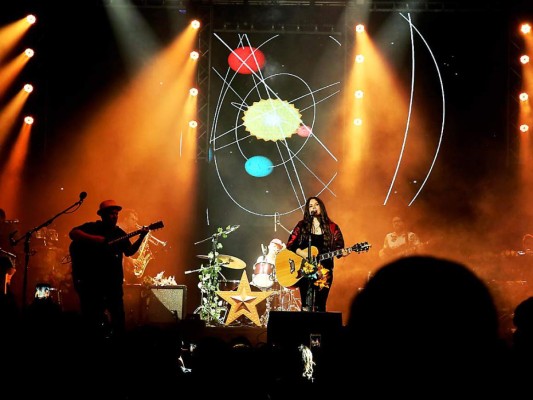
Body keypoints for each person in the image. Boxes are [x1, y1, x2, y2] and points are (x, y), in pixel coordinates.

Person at [68, 200, 148, 341]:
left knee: (118, 320)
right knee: (91, 319)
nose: (114, 216)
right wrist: (95, 240)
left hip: (113, 284)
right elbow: (73, 233)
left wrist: (141, 237)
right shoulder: (92, 227)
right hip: (92, 283)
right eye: (111, 213)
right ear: (103, 215)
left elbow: (129, 252)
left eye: (116, 214)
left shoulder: (119, 233)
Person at [285, 197, 347, 312]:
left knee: (320, 305)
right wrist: (302, 252)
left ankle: (320, 329)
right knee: (305, 306)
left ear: (321, 207)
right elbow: (290, 244)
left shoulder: (332, 227)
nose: (314, 207)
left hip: (324, 271)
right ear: (308, 210)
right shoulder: (302, 225)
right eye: (310, 206)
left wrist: (342, 252)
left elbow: (339, 246)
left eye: (316, 204)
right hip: (304, 270)